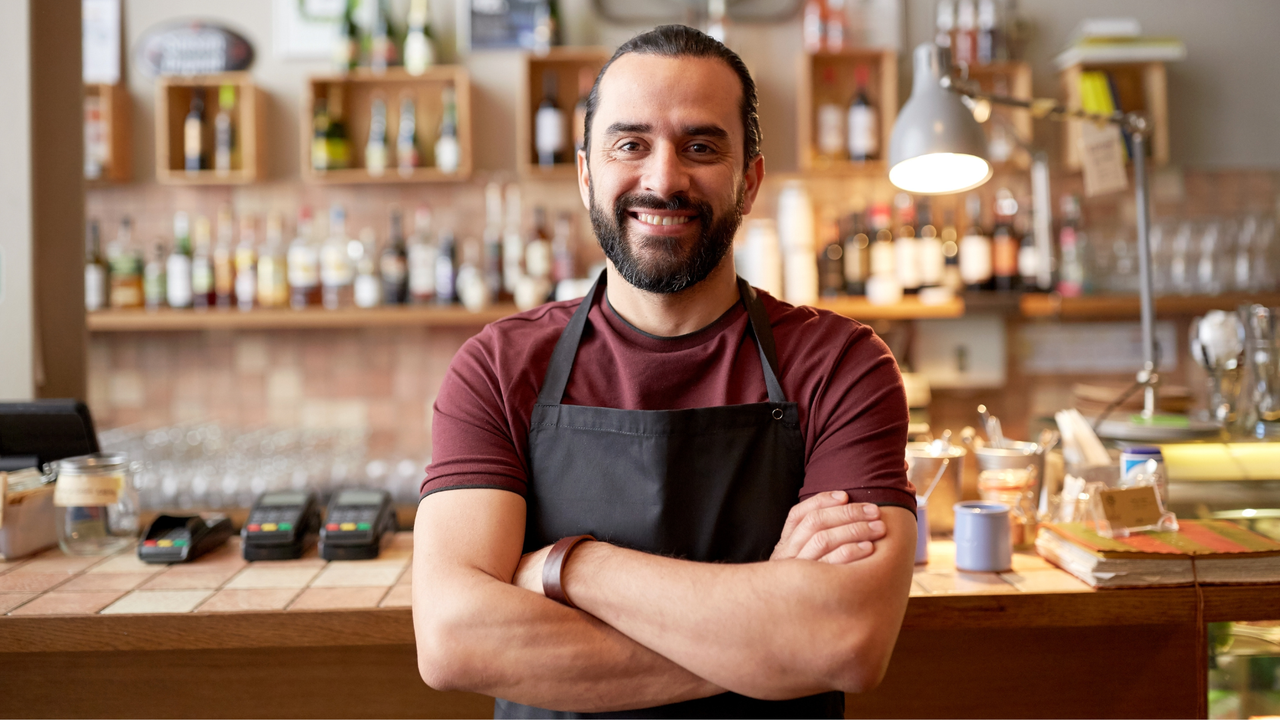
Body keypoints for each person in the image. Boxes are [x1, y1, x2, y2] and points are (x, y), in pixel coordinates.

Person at [412, 25, 916, 719]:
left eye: (701, 147)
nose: (663, 178)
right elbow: (452, 641)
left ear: (751, 179)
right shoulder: (497, 368)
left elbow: (845, 642)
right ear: (586, 172)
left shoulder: (841, 366)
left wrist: (568, 567)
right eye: (630, 144)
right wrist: (769, 633)